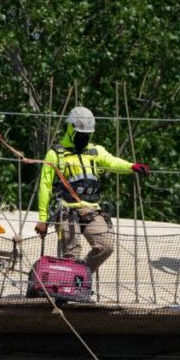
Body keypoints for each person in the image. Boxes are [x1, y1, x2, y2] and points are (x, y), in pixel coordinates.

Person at [34, 106, 150, 274]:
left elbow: (112, 162)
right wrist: (42, 219)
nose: (84, 138)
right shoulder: (55, 154)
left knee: (106, 246)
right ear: (70, 129)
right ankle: (69, 287)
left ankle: (80, 275)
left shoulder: (96, 151)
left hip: (92, 211)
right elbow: (44, 186)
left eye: (86, 135)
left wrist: (132, 166)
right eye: (81, 134)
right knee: (71, 252)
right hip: (66, 210)